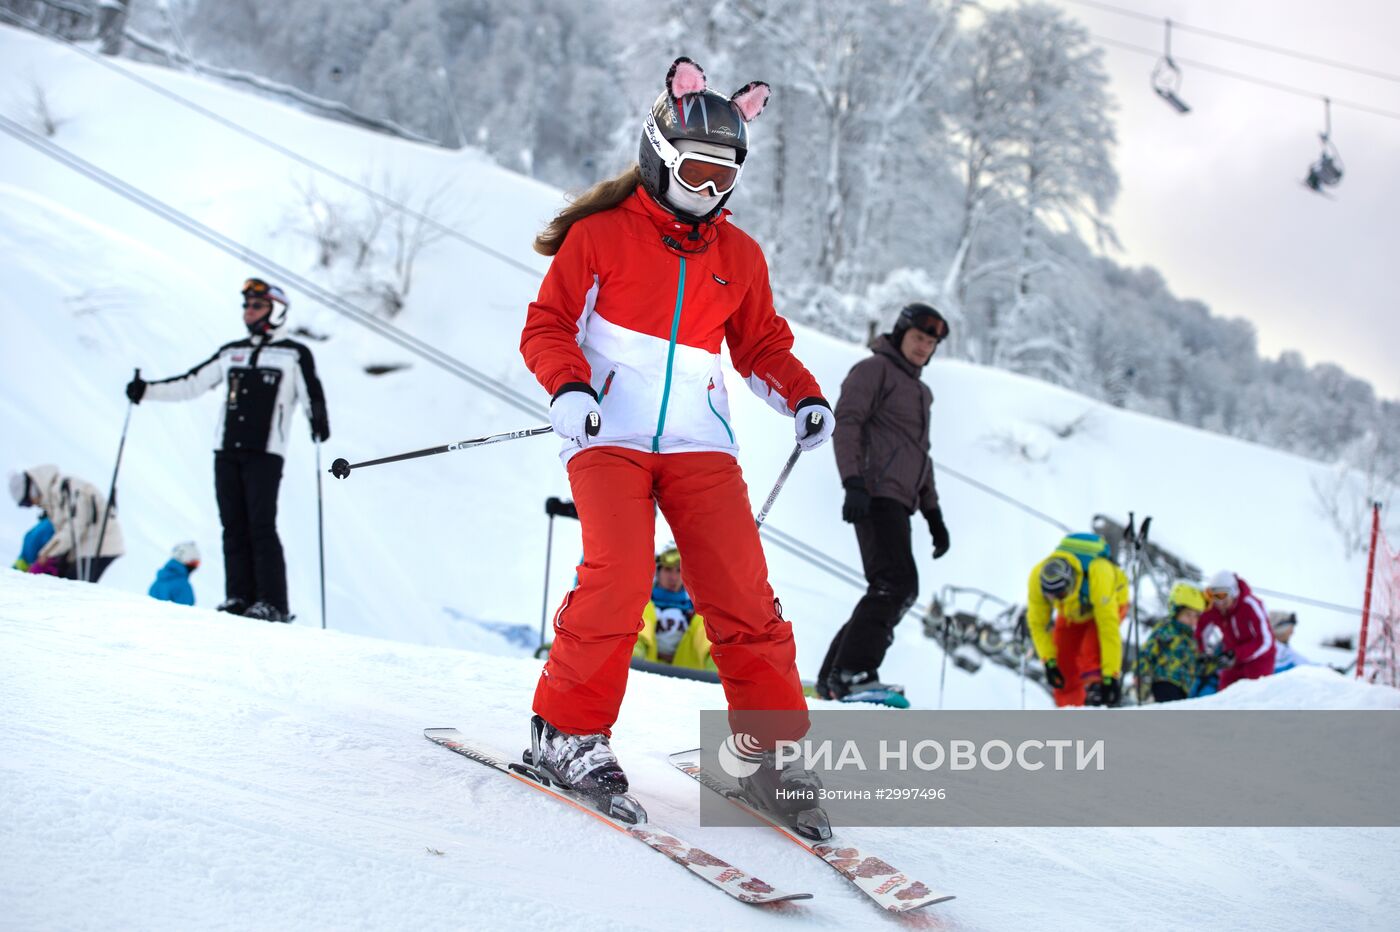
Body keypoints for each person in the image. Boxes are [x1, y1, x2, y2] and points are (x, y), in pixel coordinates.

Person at [518, 57, 831, 824]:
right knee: (620, 576)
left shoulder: (738, 257)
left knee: (741, 593)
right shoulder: (598, 238)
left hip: (700, 441)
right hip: (608, 431)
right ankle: (566, 731)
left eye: (723, 177)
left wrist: (802, 395)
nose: (708, 191)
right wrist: (569, 387)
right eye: (694, 171)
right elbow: (549, 325)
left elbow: (760, 348)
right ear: (659, 157)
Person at [124, 278, 330, 623]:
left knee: (261, 525)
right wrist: (145, 391)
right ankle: (238, 597)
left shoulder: (294, 354)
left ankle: (272, 603)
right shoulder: (232, 352)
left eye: (257, 306)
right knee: (232, 525)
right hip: (227, 450)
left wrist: (318, 421)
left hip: (265, 453)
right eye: (246, 306)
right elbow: (191, 383)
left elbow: (313, 395)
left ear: (276, 311)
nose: (248, 312)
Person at [816, 302, 951, 702]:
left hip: (901, 501)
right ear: (900, 334)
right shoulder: (874, 370)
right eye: (919, 337)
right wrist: (853, 481)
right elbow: (848, 422)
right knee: (897, 584)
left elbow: (919, 455)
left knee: (888, 585)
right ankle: (853, 672)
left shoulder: (921, 392)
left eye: (931, 342)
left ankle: (834, 676)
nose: (924, 346)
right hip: (873, 492)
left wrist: (934, 513)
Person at [1025, 533, 1129, 707]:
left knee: (1090, 653)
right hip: (1073, 611)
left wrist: (1112, 675)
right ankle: (1069, 712)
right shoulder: (1037, 577)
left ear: (1070, 581)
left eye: (1061, 594)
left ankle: (1097, 699)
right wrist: (1049, 661)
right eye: (1051, 596)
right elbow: (1038, 624)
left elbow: (1108, 628)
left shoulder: (1099, 572)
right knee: (1062, 666)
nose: (1056, 599)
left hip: (1108, 604)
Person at [9, 466, 124, 582]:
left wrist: (47, 554)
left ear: (32, 490)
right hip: (87, 546)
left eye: (27, 502)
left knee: (71, 586)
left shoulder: (66, 489)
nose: (32, 505)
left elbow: (74, 528)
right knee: (66, 583)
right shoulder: (55, 495)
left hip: (99, 544)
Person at [633, 545, 716, 672]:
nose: (673, 577)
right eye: (668, 570)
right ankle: (634, 655)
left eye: (679, 570)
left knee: (705, 617)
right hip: (648, 661)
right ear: (657, 571)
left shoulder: (694, 607)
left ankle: (715, 664)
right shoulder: (645, 601)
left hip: (686, 666)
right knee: (641, 606)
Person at [1196, 569, 1275, 691]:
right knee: (1226, 694)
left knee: (1252, 694)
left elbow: (1266, 640)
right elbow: (1201, 631)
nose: (1218, 601)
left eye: (1222, 595)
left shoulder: (1250, 605)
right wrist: (1202, 653)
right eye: (1212, 595)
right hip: (1232, 660)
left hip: (1259, 660)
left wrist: (1236, 654)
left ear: (1233, 592)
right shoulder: (1215, 608)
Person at [1137, 582, 1212, 703]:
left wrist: (1209, 663)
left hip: (1184, 687)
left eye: (1196, 616)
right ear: (1176, 611)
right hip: (1164, 681)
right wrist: (1140, 673)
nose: (1192, 620)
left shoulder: (1191, 639)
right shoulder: (1166, 629)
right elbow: (1147, 651)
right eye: (1188, 615)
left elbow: (1195, 666)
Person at [148, 541, 200, 606]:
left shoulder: (157, 583)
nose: (195, 567)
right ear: (186, 561)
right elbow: (186, 614)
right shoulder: (182, 585)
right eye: (194, 563)